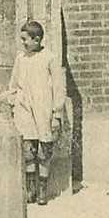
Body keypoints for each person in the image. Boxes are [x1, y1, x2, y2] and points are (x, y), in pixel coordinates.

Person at [6, 20, 66, 206]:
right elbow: (14, 84)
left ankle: (42, 190)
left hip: (44, 109)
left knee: (44, 152)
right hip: (24, 110)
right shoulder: (20, 58)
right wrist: (13, 100)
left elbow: (59, 87)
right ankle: (31, 189)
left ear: (37, 39)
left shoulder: (49, 58)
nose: (23, 43)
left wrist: (56, 113)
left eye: (25, 39)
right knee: (27, 151)